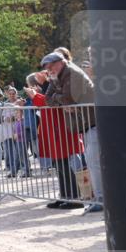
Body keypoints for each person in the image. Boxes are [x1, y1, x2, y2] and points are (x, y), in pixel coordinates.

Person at [40, 51, 97, 212]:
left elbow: (68, 98)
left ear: (60, 63)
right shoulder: (57, 76)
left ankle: (79, 198)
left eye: (51, 66)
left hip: (89, 121)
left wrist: (59, 99)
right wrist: (60, 98)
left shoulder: (71, 72)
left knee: (89, 164)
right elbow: (48, 99)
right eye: (46, 68)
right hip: (79, 123)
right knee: (62, 164)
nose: (49, 70)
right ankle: (67, 196)